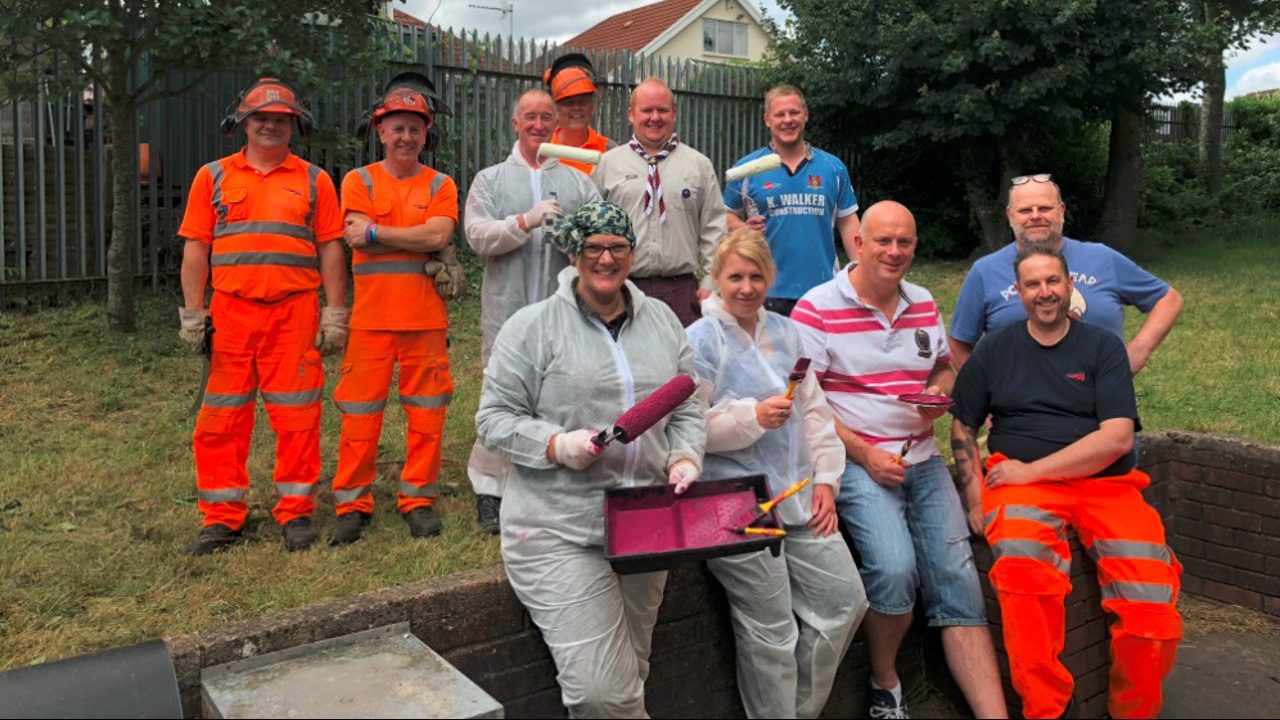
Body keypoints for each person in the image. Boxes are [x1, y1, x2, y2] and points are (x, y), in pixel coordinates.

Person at [475, 201, 705, 718]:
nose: (606, 258)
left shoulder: (663, 321)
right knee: (604, 692)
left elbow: (686, 401)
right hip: (558, 527)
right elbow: (492, 420)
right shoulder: (531, 327)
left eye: (617, 247)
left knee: (631, 674)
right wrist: (557, 445)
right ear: (574, 253)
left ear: (632, 252)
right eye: (593, 247)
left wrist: (685, 457)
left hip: (645, 521)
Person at [792, 201, 1007, 719]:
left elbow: (943, 370)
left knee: (958, 580)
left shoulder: (923, 301)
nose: (894, 252)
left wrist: (936, 390)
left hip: (925, 461)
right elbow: (804, 400)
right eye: (883, 241)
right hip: (861, 462)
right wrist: (865, 454)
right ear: (858, 243)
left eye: (904, 242)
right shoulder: (816, 308)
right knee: (893, 571)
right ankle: (885, 682)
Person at [950, 243, 1182, 719]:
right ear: (1018, 292)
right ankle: (1045, 710)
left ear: (1070, 285)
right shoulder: (996, 349)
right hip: (1021, 491)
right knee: (1021, 579)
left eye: (1053, 281)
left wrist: (1032, 470)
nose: (1044, 292)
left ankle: (1133, 711)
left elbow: (1116, 439)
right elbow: (962, 427)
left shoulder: (1102, 347)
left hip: (1106, 486)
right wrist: (975, 495)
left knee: (1152, 603)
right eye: (1032, 284)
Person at [687, 228, 868, 719]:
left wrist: (827, 481)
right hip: (732, 503)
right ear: (717, 280)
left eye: (756, 277)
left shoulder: (790, 335)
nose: (746, 288)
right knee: (771, 632)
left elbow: (814, 411)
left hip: (798, 494)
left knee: (846, 602)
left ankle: (797, 711)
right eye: (735, 277)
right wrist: (750, 418)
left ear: (770, 278)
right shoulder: (700, 342)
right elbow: (684, 430)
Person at [177, 78, 346, 555]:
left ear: (294, 125)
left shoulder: (315, 181)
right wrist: (193, 312)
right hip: (229, 316)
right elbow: (197, 247)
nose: (270, 125)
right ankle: (221, 517)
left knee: (297, 419)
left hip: (293, 315)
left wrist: (335, 312)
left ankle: (295, 512)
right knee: (220, 421)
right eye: (261, 118)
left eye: (280, 119)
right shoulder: (212, 177)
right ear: (244, 124)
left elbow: (330, 248)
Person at [328, 77, 460, 545]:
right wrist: (416, 237)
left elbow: (437, 237)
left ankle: (418, 498)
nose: (406, 137)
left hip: (425, 321)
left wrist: (375, 233)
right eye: (397, 128)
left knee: (427, 416)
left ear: (426, 136)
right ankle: (352, 503)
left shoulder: (442, 184)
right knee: (359, 418)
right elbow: (415, 236)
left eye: (414, 129)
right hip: (370, 322)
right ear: (380, 132)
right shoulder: (358, 180)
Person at [464, 88, 601, 534]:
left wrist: (570, 236)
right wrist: (525, 221)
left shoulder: (578, 181)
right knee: (501, 395)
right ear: (515, 123)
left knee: (557, 391)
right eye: (530, 117)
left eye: (546, 117)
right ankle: (490, 487)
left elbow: (594, 243)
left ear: (555, 124)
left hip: (559, 310)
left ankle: (546, 480)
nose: (538, 125)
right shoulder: (490, 180)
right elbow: (477, 237)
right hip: (506, 308)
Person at [949, 173, 1183, 373]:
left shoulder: (1102, 258)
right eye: (1025, 210)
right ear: (1010, 216)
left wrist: (1134, 356)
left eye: (1044, 208)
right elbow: (958, 346)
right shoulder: (985, 271)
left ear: (1061, 211)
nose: (1035, 216)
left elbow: (1168, 300)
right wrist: (984, 396)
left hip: (1101, 405)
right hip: (1017, 413)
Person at [594, 77, 727, 326]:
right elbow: (591, 232)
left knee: (682, 364)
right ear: (631, 114)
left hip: (682, 293)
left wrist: (710, 283)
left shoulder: (698, 165)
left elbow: (714, 229)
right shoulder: (607, 166)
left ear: (673, 114)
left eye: (662, 110)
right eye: (647, 110)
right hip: (622, 289)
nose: (655, 117)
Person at [724, 85, 860, 317]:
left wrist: (862, 269)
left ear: (805, 115)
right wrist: (741, 229)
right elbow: (724, 214)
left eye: (794, 113)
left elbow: (848, 222)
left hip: (824, 290)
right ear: (768, 119)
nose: (788, 120)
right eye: (780, 114)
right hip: (765, 290)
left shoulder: (833, 168)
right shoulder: (746, 168)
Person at [544, 52, 616, 175]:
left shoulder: (610, 150)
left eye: (582, 101)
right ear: (555, 108)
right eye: (568, 102)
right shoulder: (542, 149)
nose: (576, 107)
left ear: (592, 106)